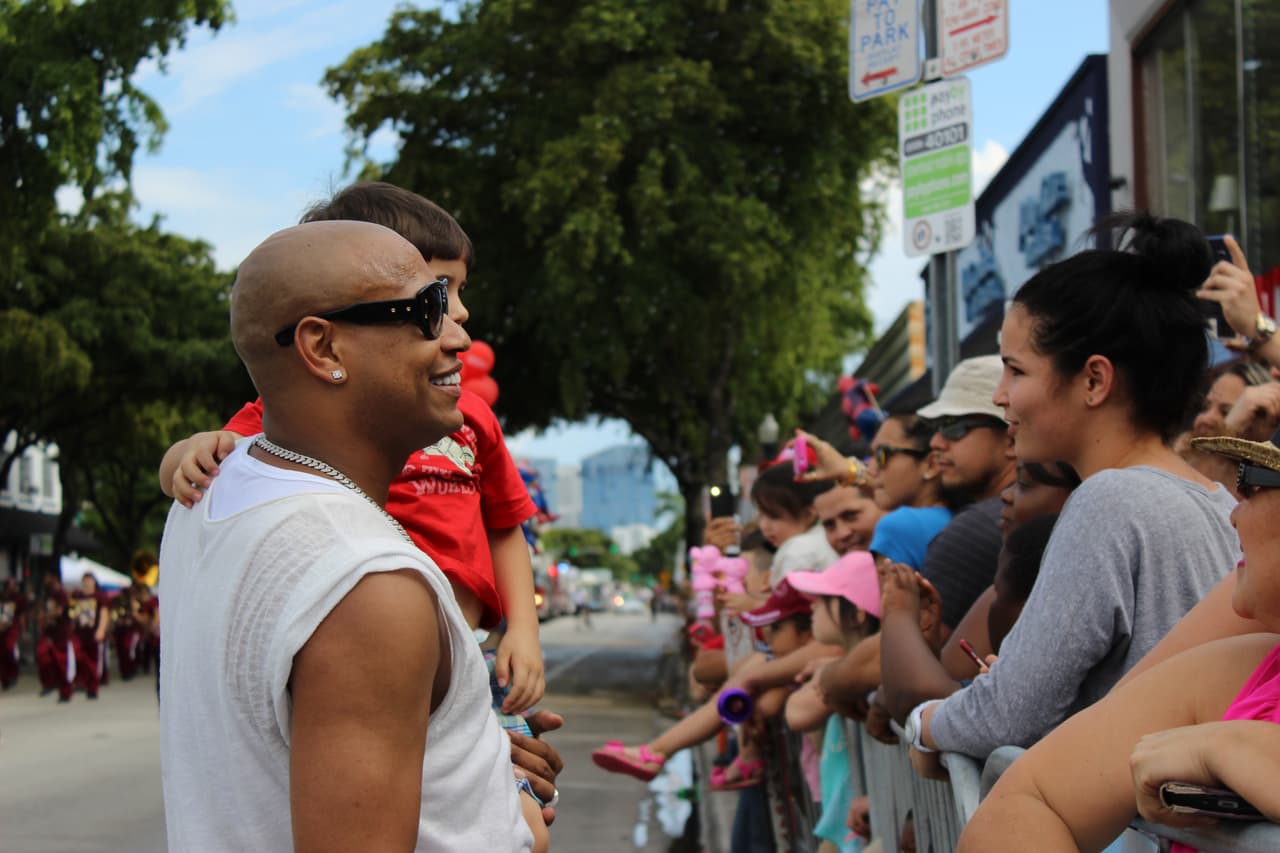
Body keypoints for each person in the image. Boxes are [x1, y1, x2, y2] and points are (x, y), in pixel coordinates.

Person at [157, 220, 547, 852]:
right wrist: (518, 826)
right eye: (428, 310)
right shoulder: (367, 584)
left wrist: (472, 760)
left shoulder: (215, 495)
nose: (459, 337)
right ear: (324, 349)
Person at [909, 213, 1240, 760]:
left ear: (1093, 380)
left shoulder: (1110, 501)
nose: (999, 397)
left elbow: (1008, 714)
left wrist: (924, 724)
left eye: (1016, 371)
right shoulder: (1218, 502)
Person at [957, 426, 1280, 852]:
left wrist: (1224, 745)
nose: (1233, 509)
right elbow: (1021, 805)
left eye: (1253, 481)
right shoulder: (1238, 668)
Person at [784, 552, 883, 853]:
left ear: (859, 612)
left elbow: (797, 713)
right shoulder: (846, 667)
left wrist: (830, 674)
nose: (812, 606)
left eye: (824, 599)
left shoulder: (858, 676)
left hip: (861, 829)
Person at [68, 572, 109, 697]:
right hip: (79, 633)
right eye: (84, 580)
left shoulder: (99, 597)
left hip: (93, 634)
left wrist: (101, 629)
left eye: (89, 580)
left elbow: (104, 613)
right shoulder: (77, 596)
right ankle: (81, 681)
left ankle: (92, 687)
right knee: (78, 657)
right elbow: (73, 614)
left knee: (93, 661)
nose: (86, 583)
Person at [0, 578, 27, 690]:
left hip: (12, 628)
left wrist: (24, 631)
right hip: (1, 629)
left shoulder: (17, 599)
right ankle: (4, 679)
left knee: (9, 649)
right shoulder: (1, 597)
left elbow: (21, 616)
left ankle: (13, 675)